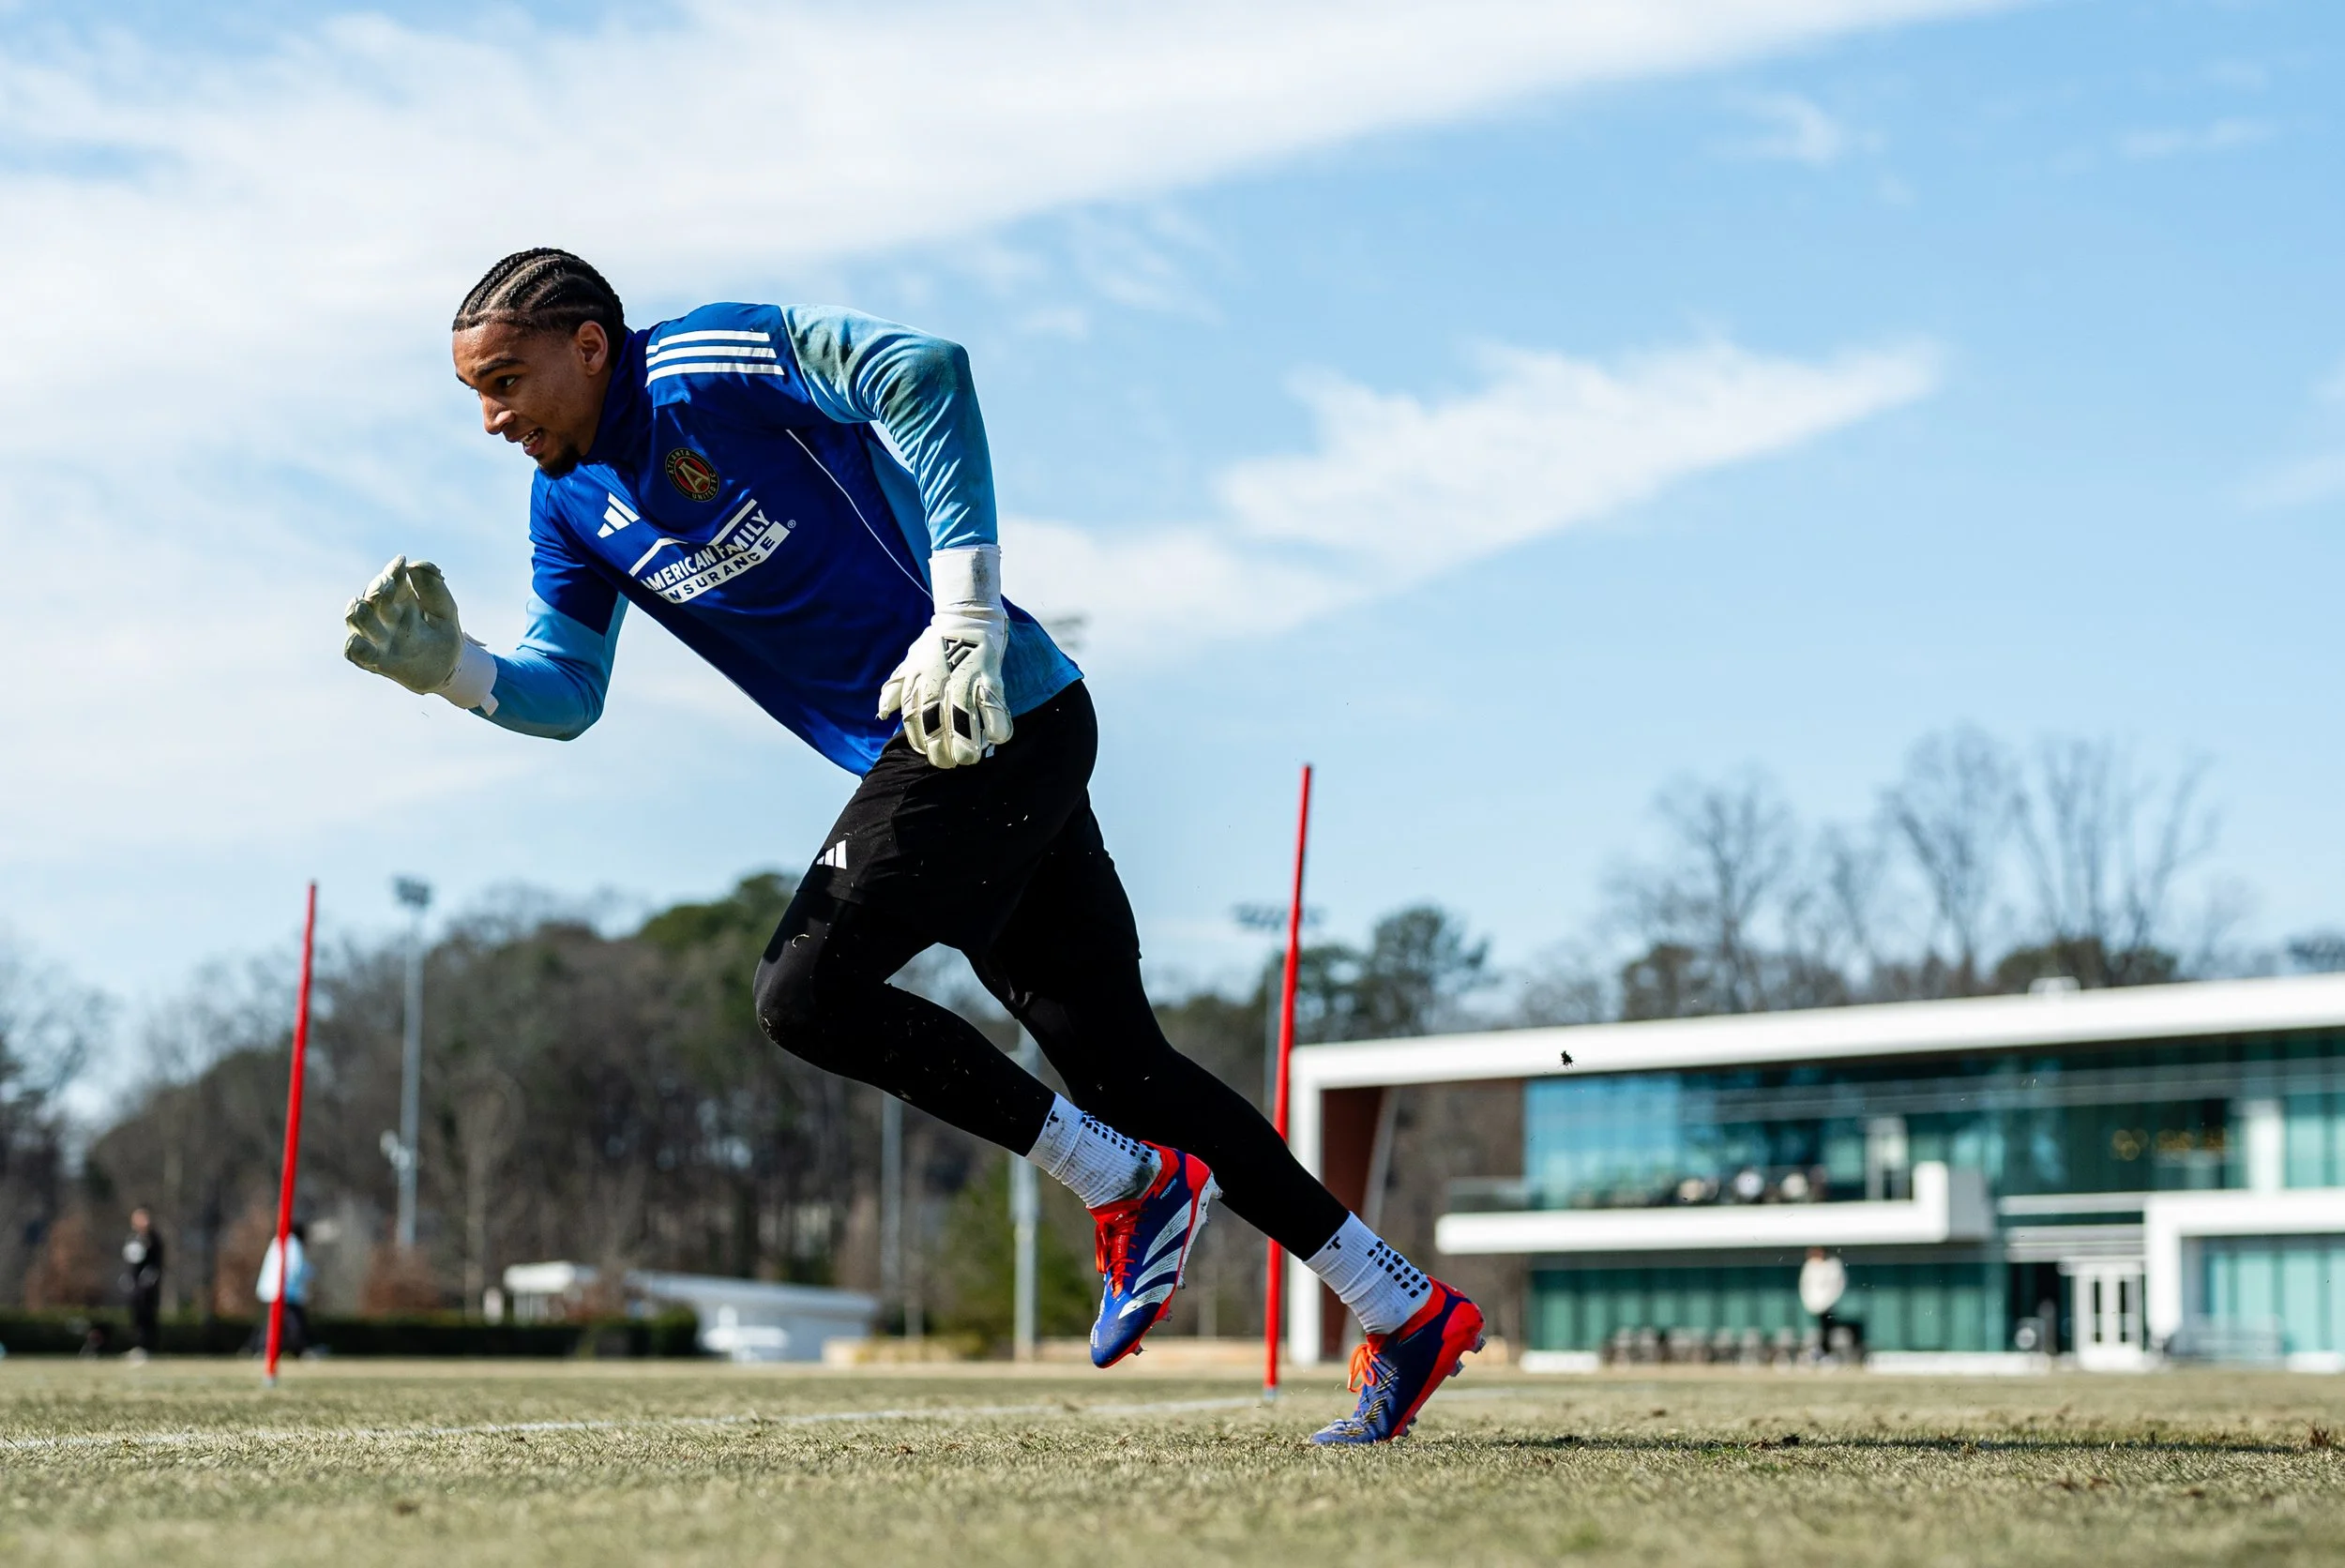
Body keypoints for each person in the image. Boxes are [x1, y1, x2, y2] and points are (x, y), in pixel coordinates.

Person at [340, 250, 1483, 1442]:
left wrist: (968, 612)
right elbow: (567, 690)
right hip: (970, 746)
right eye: (477, 393)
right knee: (1123, 1073)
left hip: (990, 711)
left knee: (802, 990)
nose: (493, 419)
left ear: (589, 345)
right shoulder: (566, 504)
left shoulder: (703, 360)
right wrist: (455, 676)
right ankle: (1400, 1306)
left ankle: (1129, 1184)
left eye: (506, 380)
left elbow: (923, 371)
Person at [256, 1223, 312, 1357]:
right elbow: (295, 1269)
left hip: (274, 1290)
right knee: (293, 1323)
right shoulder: (293, 1244)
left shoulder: (278, 1241)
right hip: (286, 1292)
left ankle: (263, 1348)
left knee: (275, 1322)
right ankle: (299, 1349)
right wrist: (309, 1273)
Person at [120, 1207, 164, 1362]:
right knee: (136, 1317)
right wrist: (128, 1279)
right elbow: (130, 1261)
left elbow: (157, 1262)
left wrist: (151, 1277)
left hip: (148, 1288)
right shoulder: (133, 1238)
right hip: (135, 1287)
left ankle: (148, 1347)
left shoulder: (153, 1239)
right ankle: (137, 1346)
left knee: (148, 1316)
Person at [1798, 1244, 1847, 1362]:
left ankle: (1826, 1354)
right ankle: (1816, 1354)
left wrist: (1827, 1302)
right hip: (1813, 1306)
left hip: (1827, 1305)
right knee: (1817, 1332)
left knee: (1827, 1331)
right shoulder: (1810, 1267)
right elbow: (1805, 1286)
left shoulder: (1832, 1265)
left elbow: (1837, 1285)